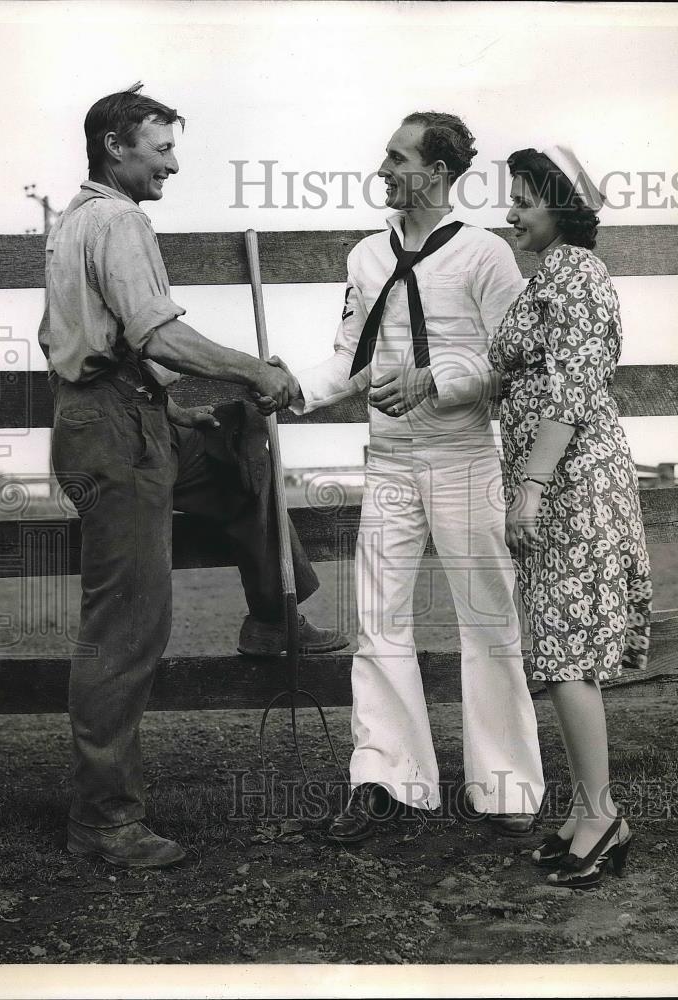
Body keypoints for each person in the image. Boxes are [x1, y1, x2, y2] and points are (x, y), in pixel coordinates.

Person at [39, 83, 346, 869]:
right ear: (116, 146)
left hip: (133, 420)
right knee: (128, 625)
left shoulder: (77, 219)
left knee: (243, 448)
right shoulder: (116, 219)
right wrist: (255, 371)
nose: (173, 164)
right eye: (161, 148)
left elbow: (112, 342)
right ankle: (105, 818)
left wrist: (183, 414)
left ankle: (273, 613)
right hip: (112, 436)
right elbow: (155, 333)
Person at [264, 112, 545, 842]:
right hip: (388, 462)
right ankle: (387, 778)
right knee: (379, 620)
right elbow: (351, 356)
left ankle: (508, 785)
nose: (384, 169)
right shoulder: (366, 256)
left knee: (488, 617)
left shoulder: (485, 256)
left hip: (464, 460)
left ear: (439, 172)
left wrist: (436, 382)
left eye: (398, 157)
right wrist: (295, 387)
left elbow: (509, 363)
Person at [487, 145, 651, 889]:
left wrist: (530, 485)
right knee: (556, 650)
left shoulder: (578, 273)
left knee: (568, 656)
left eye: (524, 198)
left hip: (573, 484)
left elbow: (575, 388)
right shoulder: (548, 275)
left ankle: (601, 816)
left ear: (563, 205)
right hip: (556, 483)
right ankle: (588, 809)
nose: (512, 212)